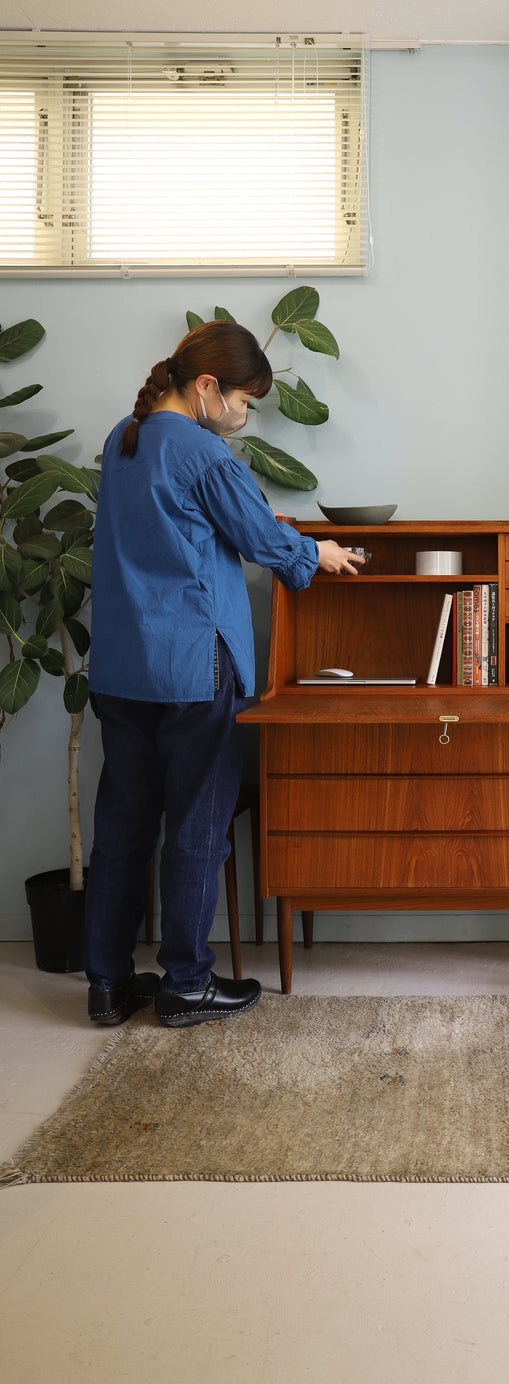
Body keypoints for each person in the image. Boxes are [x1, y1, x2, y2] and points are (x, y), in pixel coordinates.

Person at [84, 320, 362, 1028]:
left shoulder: (124, 438)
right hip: (192, 666)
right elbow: (261, 540)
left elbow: (176, 525)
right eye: (243, 400)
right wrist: (317, 553)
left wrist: (254, 520)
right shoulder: (203, 451)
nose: (243, 415)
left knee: (123, 828)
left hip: (121, 666)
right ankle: (186, 984)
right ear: (207, 386)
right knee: (198, 827)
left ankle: (108, 985)